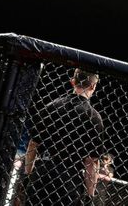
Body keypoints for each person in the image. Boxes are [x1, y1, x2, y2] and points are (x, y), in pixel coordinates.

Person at [23, 68, 104, 205]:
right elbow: (92, 162)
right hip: (70, 181)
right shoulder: (94, 118)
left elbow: (33, 144)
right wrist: (90, 195)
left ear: (72, 82)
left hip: (42, 174)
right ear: (93, 86)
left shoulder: (51, 106)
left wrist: (27, 175)